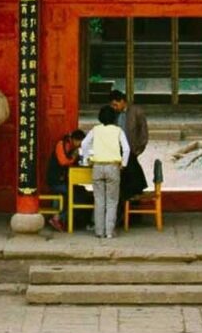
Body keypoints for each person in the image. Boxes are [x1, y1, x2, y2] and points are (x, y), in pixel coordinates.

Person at [78, 103, 130, 239]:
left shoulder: (95, 130)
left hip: (97, 167)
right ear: (114, 118)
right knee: (112, 201)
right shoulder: (118, 131)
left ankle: (99, 231)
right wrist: (123, 163)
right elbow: (126, 149)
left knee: (99, 200)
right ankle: (109, 231)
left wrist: (86, 160)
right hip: (113, 167)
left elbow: (84, 144)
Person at [109, 89, 150, 206]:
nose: (114, 107)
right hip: (117, 152)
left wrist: (137, 150)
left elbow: (143, 133)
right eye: (112, 105)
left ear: (122, 101)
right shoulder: (113, 114)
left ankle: (132, 213)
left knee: (130, 179)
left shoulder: (136, 112)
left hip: (131, 150)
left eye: (115, 104)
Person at [42, 129, 84, 229]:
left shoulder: (72, 147)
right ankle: (58, 218)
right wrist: (74, 157)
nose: (80, 145)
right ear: (74, 140)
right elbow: (63, 161)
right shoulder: (61, 144)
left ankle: (63, 219)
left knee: (80, 192)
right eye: (79, 142)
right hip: (55, 181)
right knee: (76, 196)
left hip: (63, 180)